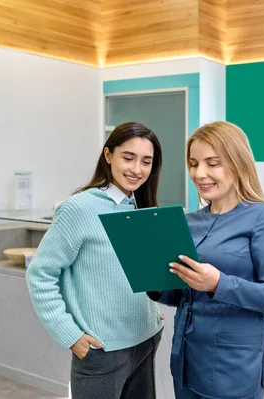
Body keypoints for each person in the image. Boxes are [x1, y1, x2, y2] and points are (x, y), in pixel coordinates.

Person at [148, 121, 264, 399]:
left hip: (234, 365)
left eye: (212, 163)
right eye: (193, 163)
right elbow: (185, 293)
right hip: (186, 360)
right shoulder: (188, 221)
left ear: (238, 163)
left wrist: (218, 284)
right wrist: (155, 285)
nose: (199, 173)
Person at [26, 122, 165, 399]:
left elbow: (136, 271)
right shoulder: (79, 208)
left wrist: (149, 309)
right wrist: (71, 336)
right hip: (101, 352)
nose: (137, 169)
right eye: (128, 157)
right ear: (108, 155)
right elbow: (40, 275)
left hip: (146, 340)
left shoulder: (142, 206)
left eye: (146, 161)